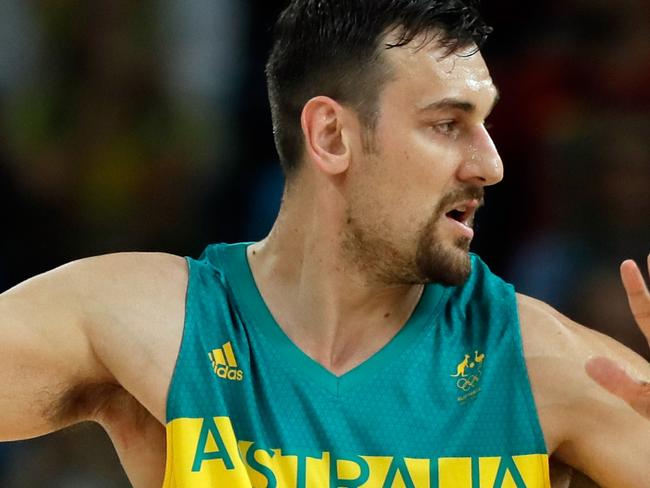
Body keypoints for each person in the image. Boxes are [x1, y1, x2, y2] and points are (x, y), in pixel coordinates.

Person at [1, 1, 649, 486]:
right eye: (448, 124)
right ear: (332, 137)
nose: (491, 163)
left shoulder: (541, 365)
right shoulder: (152, 324)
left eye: (484, 125)